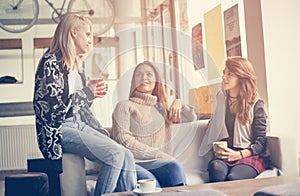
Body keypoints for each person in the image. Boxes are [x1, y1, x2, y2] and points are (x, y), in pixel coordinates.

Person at [33, 14, 137, 195]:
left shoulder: (76, 65)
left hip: (76, 124)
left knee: (126, 154)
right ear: (73, 33)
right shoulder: (51, 63)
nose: (91, 40)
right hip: (59, 130)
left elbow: (77, 104)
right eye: (87, 34)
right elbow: (56, 111)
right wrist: (88, 93)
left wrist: (91, 93)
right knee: (115, 155)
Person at [111, 61, 197, 188]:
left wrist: (179, 102)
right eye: (139, 75)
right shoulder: (124, 106)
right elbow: (124, 141)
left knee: (174, 168)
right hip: (133, 163)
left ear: (157, 80)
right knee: (152, 182)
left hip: (158, 163)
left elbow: (192, 118)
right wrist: (159, 155)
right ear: (134, 81)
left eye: (149, 74)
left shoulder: (162, 109)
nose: (144, 78)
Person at [201, 56, 270, 182]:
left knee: (234, 178)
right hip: (225, 153)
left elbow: (261, 141)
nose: (224, 77)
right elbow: (213, 122)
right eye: (224, 73)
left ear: (241, 77)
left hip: (247, 154)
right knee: (216, 170)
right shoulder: (221, 99)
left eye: (230, 74)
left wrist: (239, 154)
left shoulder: (256, 104)